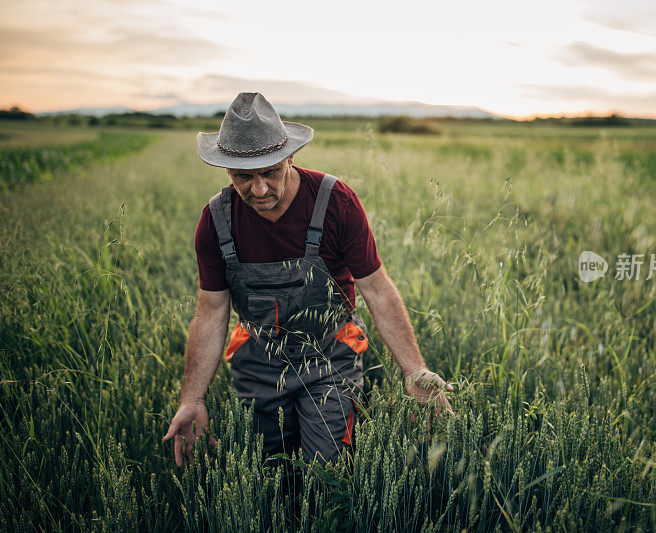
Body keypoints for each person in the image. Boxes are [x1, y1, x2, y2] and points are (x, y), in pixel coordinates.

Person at [163, 92, 452, 467]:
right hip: (259, 360)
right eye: (243, 178)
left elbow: (377, 291)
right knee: (266, 471)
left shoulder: (336, 203)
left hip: (330, 356)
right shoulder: (216, 220)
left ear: (290, 157)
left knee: (327, 472)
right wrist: (192, 399)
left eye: (269, 172)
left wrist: (414, 371)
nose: (259, 190)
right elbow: (211, 313)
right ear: (226, 171)